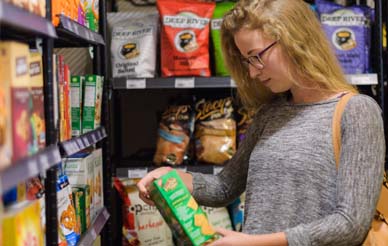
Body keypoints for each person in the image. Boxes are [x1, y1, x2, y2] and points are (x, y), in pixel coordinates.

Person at [137, 0, 386, 245]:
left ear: (296, 41)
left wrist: (257, 242)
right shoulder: (270, 114)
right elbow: (225, 186)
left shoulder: (357, 112)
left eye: (256, 56)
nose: (253, 73)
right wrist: (174, 178)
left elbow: (351, 224)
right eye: (247, 61)